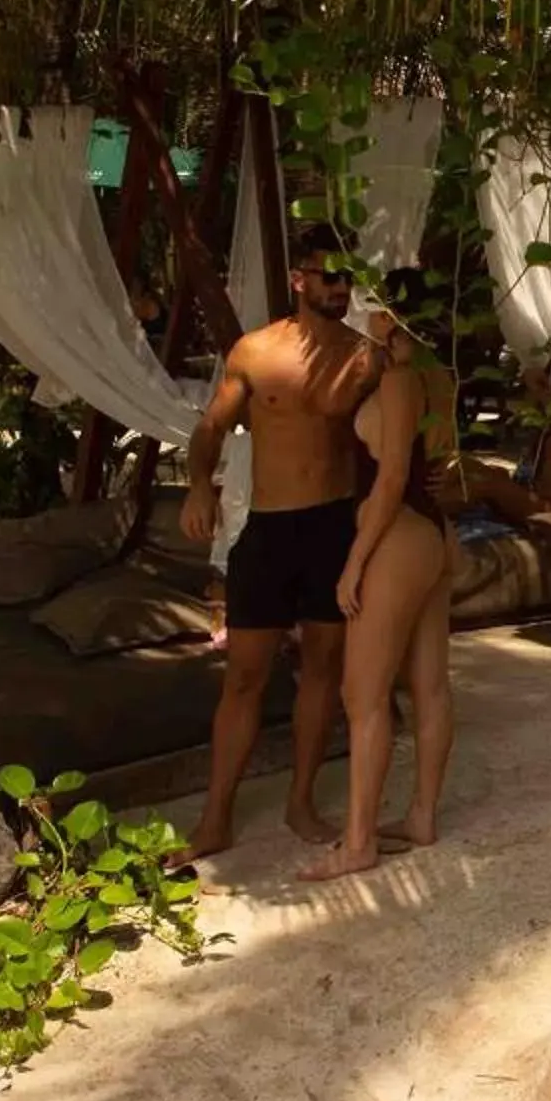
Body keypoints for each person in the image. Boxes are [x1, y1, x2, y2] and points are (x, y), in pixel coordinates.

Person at [184, 222, 381, 860]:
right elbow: (210, 429)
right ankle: (216, 816)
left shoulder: (364, 355)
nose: (340, 287)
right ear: (299, 279)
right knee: (244, 676)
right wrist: (198, 489)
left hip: (333, 528)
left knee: (323, 669)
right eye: (329, 276)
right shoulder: (256, 352)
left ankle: (300, 800)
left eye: (348, 276)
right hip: (269, 529)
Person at [301, 271, 462, 880]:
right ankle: (421, 815)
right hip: (435, 536)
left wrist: (354, 560)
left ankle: (359, 840)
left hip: (396, 539)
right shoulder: (437, 377)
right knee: (431, 686)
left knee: (362, 696)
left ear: (390, 318)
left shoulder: (396, 381)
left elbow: (392, 477)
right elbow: (435, 464)